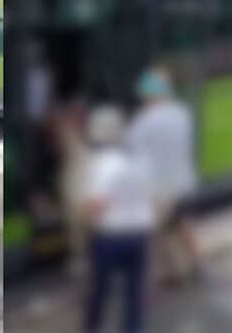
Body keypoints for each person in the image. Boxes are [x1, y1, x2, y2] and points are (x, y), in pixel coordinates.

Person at [82, 105, 157, 333]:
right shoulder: (140, 159)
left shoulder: (104, 163)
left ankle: (92, 327)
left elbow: (96, 203)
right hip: (139, 235)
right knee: (133, 292)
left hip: (111, 238)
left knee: (101, 290)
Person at [126, 67, 201, 284]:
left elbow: (131, 150)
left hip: (158, 188)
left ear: (150, 95)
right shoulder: (182, 113)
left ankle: (159, 274)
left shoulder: (143, 120)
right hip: (184, 182)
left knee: (152, 233)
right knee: (183, 225)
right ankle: (195, 264)